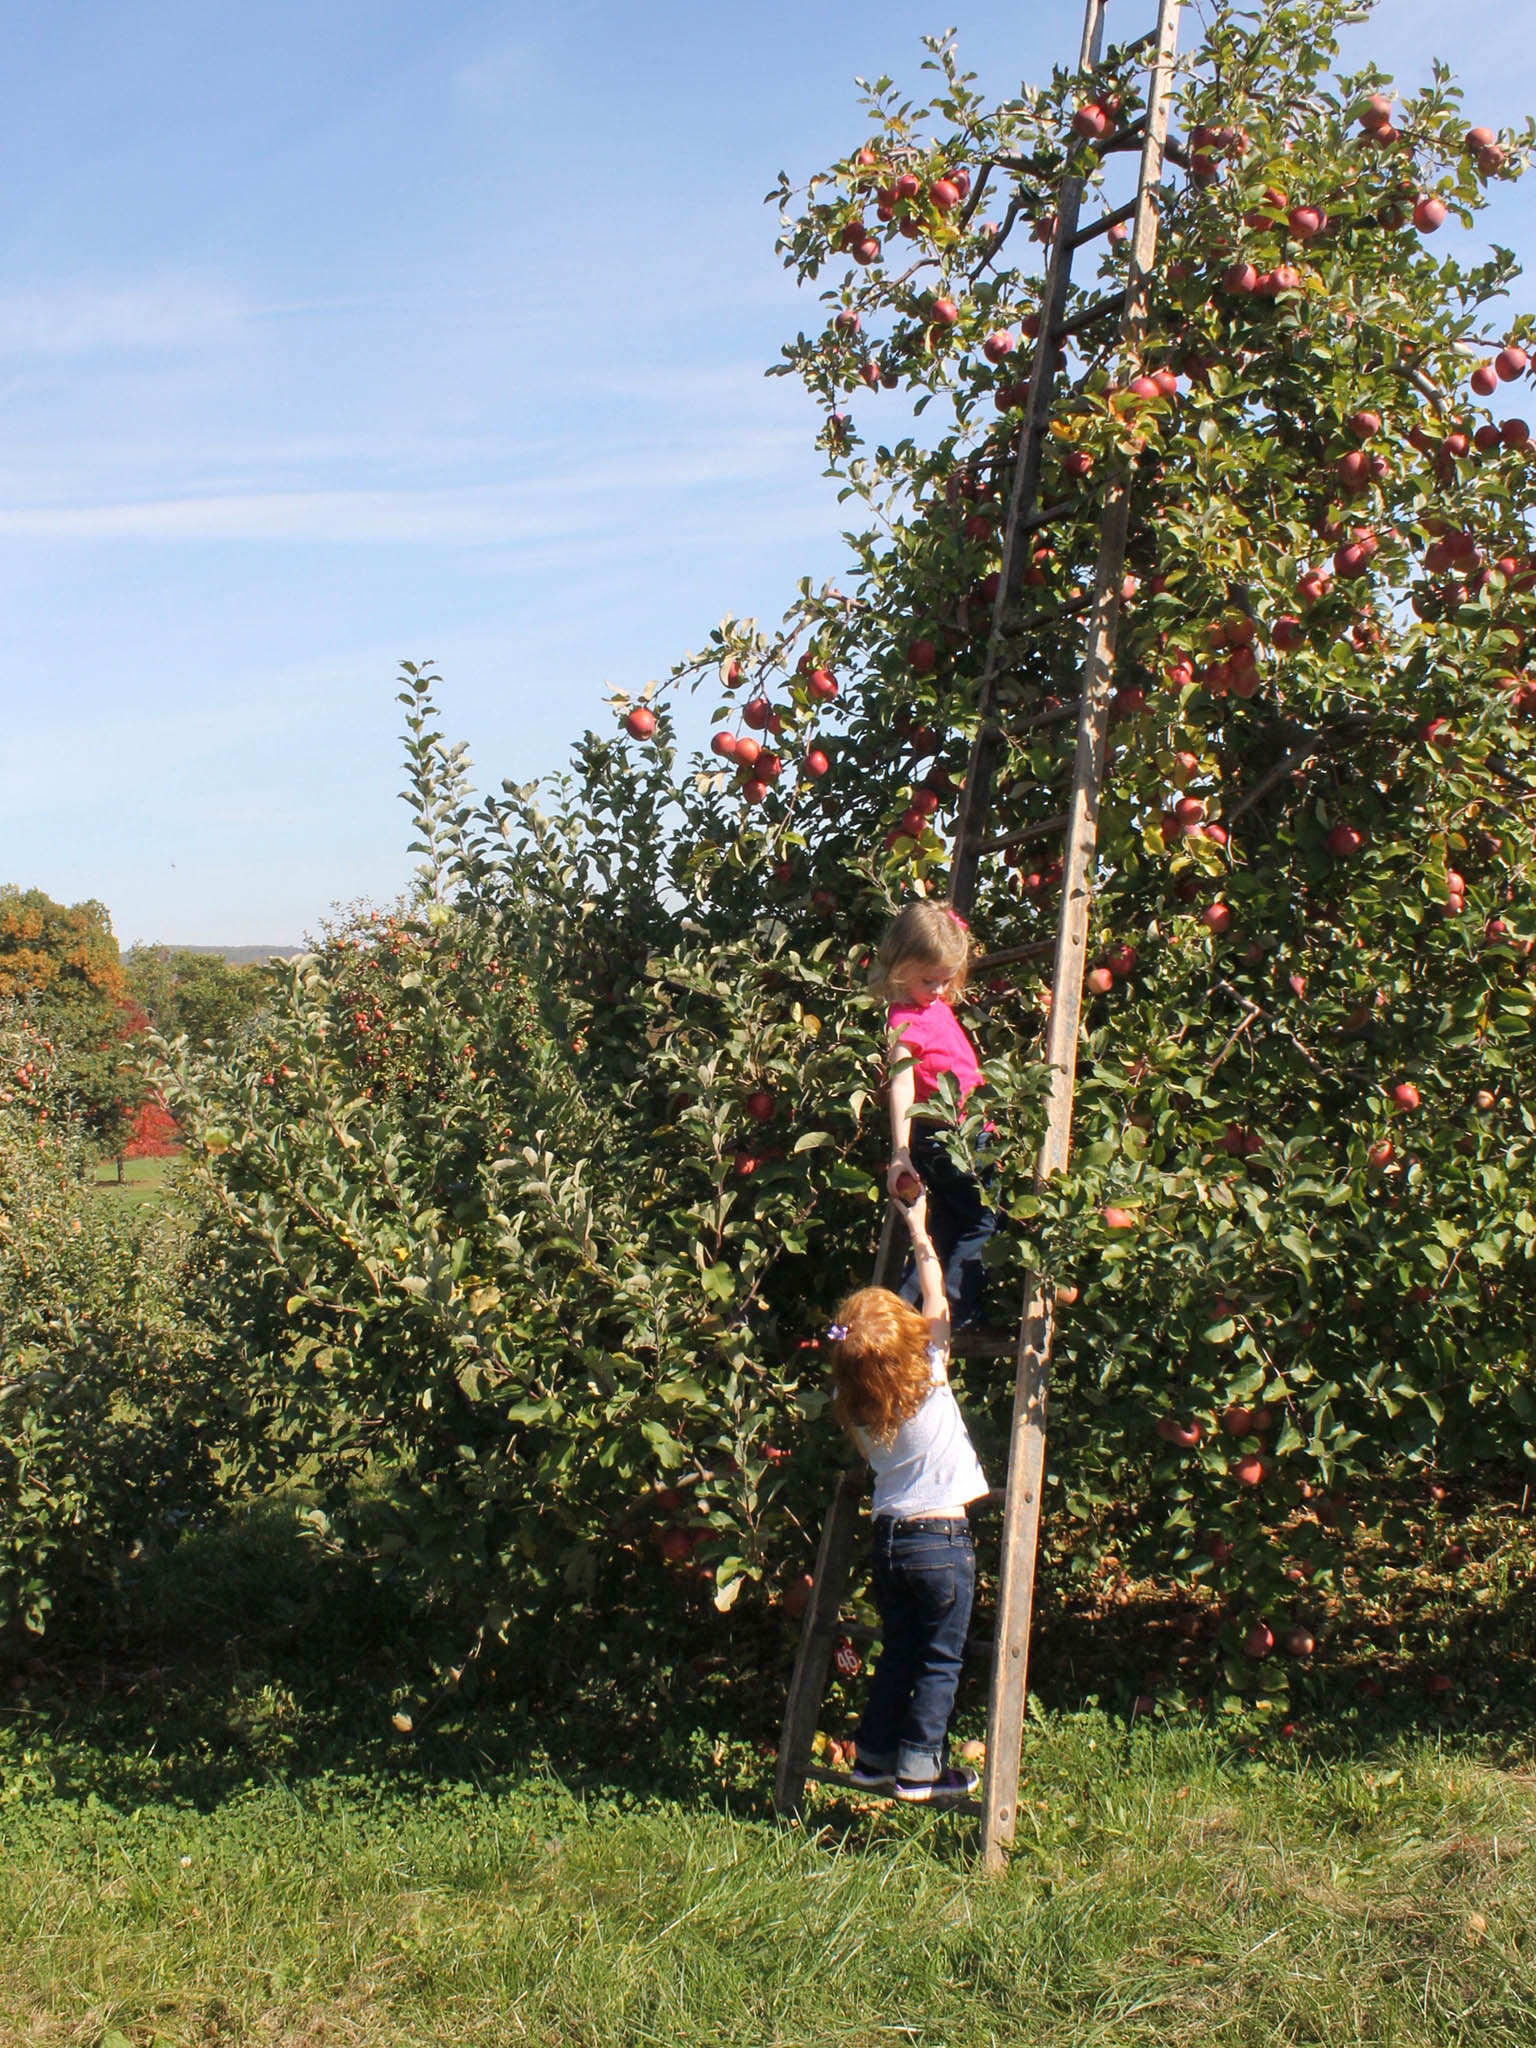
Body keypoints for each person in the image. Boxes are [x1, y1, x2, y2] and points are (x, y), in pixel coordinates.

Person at [824, 1190, 987, 1803]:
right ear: (909, 1343)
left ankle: (872, 1759)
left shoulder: (857, 1411)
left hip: (889, 1541)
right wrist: (920, 1229)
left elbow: (849, 1337)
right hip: (940, 1543)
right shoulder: (932, 1371)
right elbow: (938, 1292)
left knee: (898, 1652)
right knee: (940, 1659)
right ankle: (920, 1769)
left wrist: (857, 1327)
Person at [872, 899, 996, 1328]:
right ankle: (953, 1309)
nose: (941, 990)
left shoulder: (929, 1004)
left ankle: (904, 1319)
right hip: (953, 1137)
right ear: (898, 966)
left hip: (962, 1133)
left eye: (946, 980)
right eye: (930, 980)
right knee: (981, 1223)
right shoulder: (903, 1021)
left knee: (943, 1231)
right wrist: (900, 1150)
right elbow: (902, 1084)